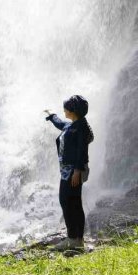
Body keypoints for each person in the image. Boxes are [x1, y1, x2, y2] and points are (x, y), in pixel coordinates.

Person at [44, 94, 94, 251]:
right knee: (74, 203)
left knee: (67, 202)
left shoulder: (81, 128)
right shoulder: (73, 124)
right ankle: (78, 239)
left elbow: (82, 151)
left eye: (65, 108)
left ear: (72, 111)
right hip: (67, 171)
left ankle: (73, 239)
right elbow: (60, 124)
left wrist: (77, 171)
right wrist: (51, 115)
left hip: (73, 172)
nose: (63, 110)